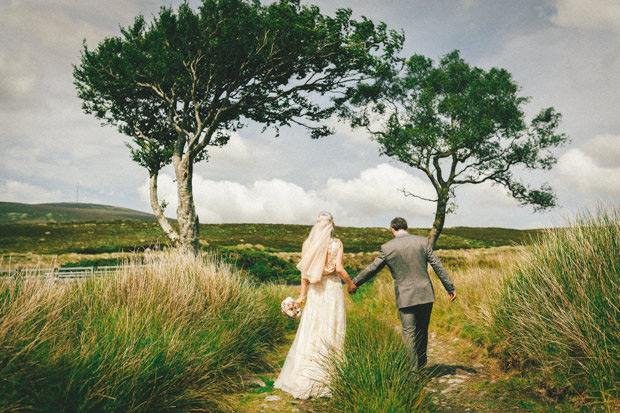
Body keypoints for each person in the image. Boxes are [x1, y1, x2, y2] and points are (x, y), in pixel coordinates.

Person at [349, 217, 456, 369]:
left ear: (392, 230)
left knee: (409, 333)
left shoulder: (387, 248)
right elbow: (437, 265)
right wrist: (449, 287)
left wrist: (354, 283)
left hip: (405, 297)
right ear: (407, 227)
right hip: (425, 294)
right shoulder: (422, 242)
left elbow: (372, 268)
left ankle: (413, 373)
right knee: (422, 330)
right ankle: (422, 362)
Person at [274, 211, 357, 399]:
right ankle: (328, 370)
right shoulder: (336, 243)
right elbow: (340, 269)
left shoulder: (307, 244)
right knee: (331, 327)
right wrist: (351, 285)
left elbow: (304, 273)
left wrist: (302, 296)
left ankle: (304, 370)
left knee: (312, 328)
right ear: (331, 225)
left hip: (315, 291)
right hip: (332, 289)